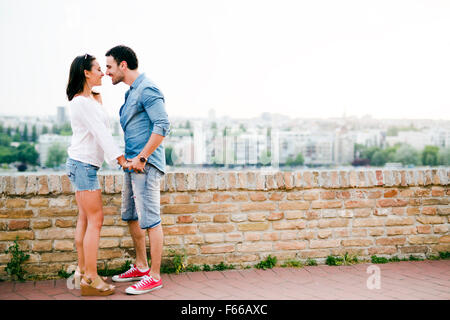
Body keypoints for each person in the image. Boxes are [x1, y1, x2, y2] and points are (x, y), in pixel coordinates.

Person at [105, 45, 170, 295]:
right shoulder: (130, 93)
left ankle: (154, 276)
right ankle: (141, 266)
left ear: (123, 65)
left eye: (109, 66)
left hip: (146, 166)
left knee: (151, 221)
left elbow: (162, 124)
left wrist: (143, 157)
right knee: (131, 217)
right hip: (132, 167)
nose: (107, 72)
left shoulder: (147, 88)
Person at [65, 53, 130, 296]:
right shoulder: (82, 103)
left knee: (85, 219)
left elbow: (100, 125)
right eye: (98, 69)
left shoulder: (85, 100)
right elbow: (102, 133)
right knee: (96, 220)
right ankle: (90, 279)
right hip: (83, 166)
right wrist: (120, 160)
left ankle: (84, 272)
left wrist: (97, 96)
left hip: (80, 164)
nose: (103, 73)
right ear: (86, 72)